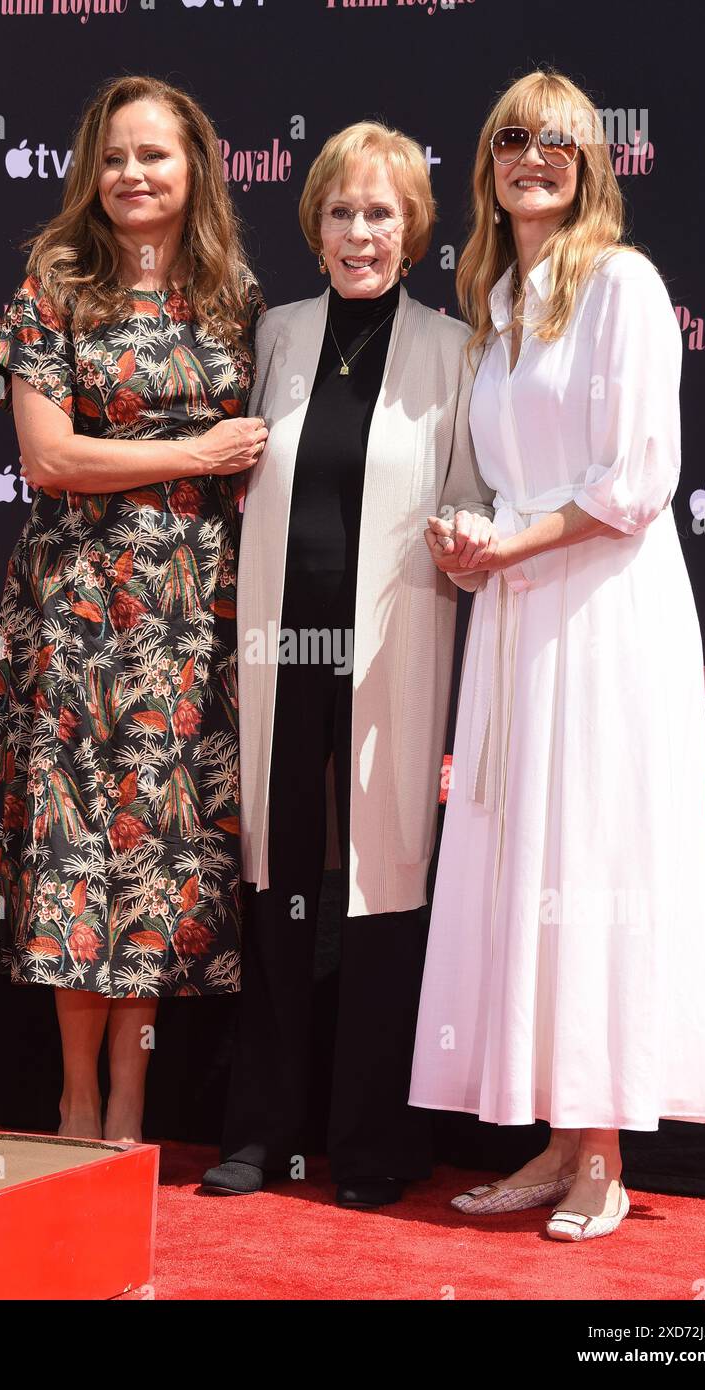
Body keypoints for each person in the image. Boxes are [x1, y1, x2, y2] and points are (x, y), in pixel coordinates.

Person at [410, 69, 705, 1240]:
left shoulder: (621, 285)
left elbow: (635, 482)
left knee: (592, 857)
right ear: (488, 163)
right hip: (519, 616)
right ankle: (556, 1137)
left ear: (591, 161)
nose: (533, 155)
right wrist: (472, 548)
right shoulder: (497, 303)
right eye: (512, 137)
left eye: (558, 139)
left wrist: (510, 544)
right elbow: (512, 482)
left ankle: (605, 1156)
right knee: (526, 864)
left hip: (604, 618)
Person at [0, 75, 267, 1144]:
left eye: (154, 155)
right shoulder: (55, 288)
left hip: (194, 616)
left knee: (157, 855)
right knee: (78, 851)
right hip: (81, 608)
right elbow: (48, 457)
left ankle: (131, 1099)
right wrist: (197, 452)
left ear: (195, 168)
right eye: (116, 157)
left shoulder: (234, 298)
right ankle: (76, 1099)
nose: (133, 174)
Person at [201, 121, 494, 1208]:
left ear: (413, 230)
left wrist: (469, 533)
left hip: (393, 646)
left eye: (381, 213)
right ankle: (261, 1132)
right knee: (272, 880)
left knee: (385, 885)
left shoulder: (455, 348)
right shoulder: (274, 334)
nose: (359, 232)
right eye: (341, 212)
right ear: (313, 224)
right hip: (279, 646)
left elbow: (469, 493)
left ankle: (372, 1142)